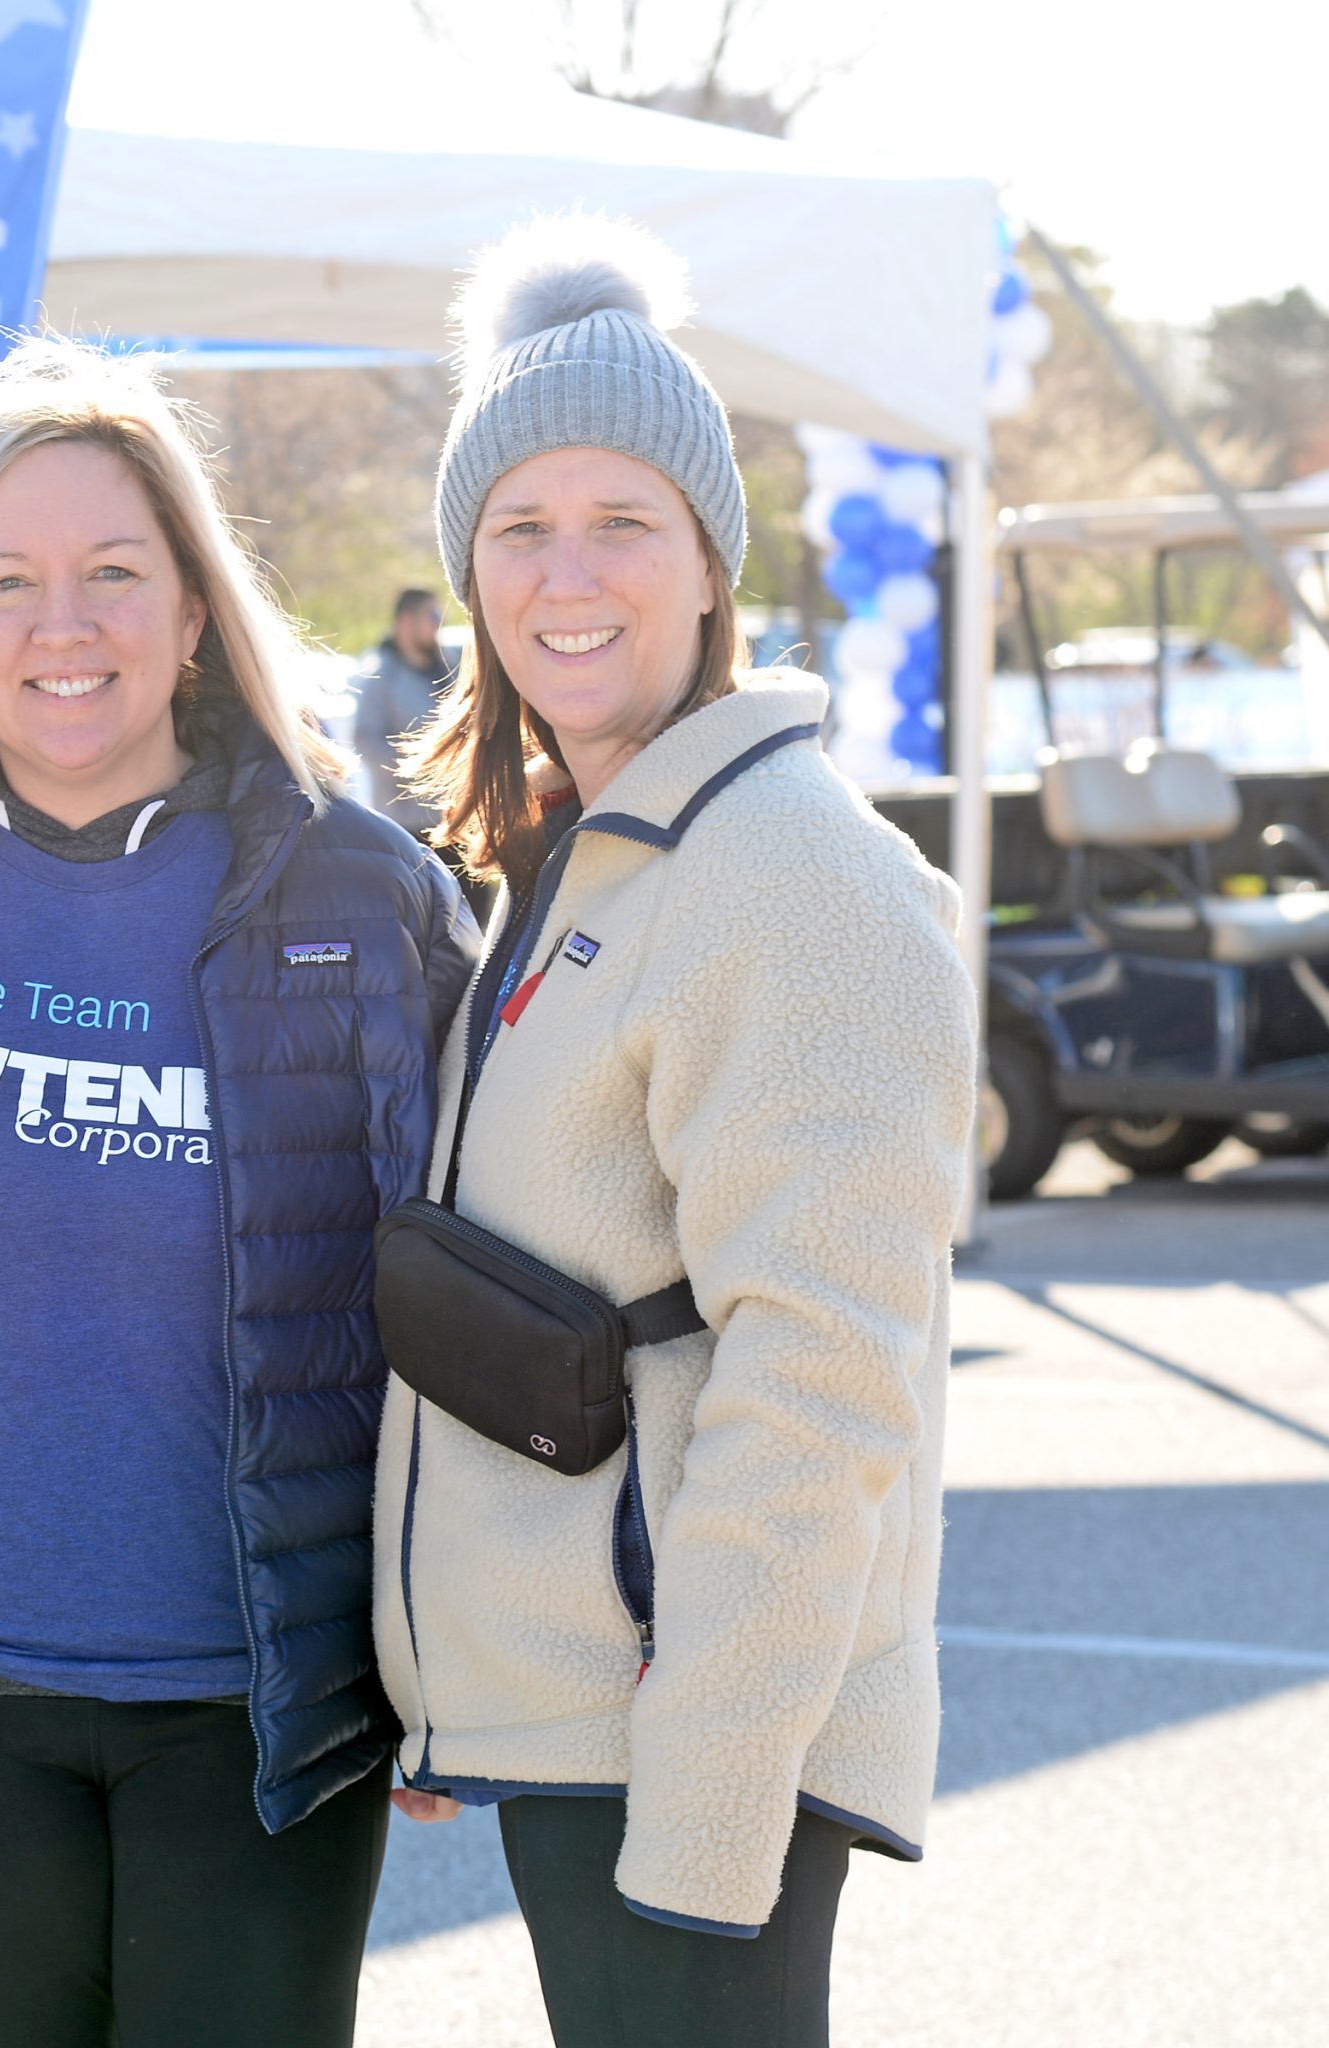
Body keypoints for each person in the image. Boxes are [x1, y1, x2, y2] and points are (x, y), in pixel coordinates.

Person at [0, 336, 479, 2048]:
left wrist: (472, 1636)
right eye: (3, 581)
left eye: (113, 572)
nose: (60, 624)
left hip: (261, 1696)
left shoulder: (358, 896)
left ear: (196, 607)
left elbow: (474, 1282)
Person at [372, 216, 978, 2048]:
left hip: (693, 1745)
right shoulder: (604, 851)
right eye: (519, 527)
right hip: (591, 1721)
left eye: (622, 521)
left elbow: (826, 1375)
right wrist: (450, 1674)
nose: (567, 575)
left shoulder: (788, 871)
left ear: (712, 561)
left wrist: (709, 1804)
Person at [352, 586, 452, 830]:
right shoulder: (381, 677)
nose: (439, 624)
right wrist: (419, 765)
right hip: (405, 826)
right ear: (407, 622)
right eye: (434, 616)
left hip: (450, 820)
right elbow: (365, 741)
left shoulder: (448, 670)